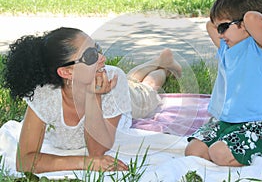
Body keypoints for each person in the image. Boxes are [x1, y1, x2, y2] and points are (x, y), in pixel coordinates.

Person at [2, 27, 181, 174]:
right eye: (90, 56)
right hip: (108, 83)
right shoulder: (44, 96)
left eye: (97, 49)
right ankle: (157, 61)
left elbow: (97, 151)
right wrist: (83, 162)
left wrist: (93, 96)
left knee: (146, 91)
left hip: (122, 96)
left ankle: (164, 67)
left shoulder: (111, 79)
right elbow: (24, 162)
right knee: (130, 82)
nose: (102, 58)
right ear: (66, 72)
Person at [185, 0, 262, 167]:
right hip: (223, 122)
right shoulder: (226, 47)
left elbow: (252, 18)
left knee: (218, 153)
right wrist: (226, 24)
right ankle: (231, 147)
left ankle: (261, 147)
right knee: (193, 151)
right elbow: (210, 24)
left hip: (254, 124)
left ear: (244, 25)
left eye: (224, 27)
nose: (219, 33)